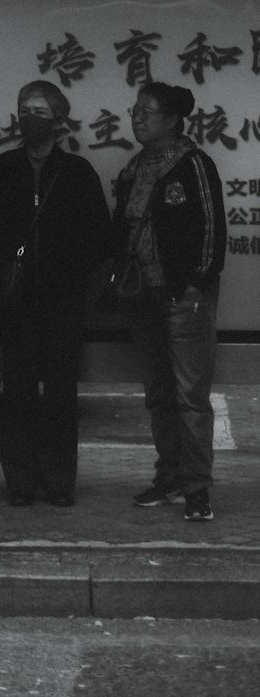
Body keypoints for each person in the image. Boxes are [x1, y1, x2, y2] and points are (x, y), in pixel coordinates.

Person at [0, 80, 111, 508]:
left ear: (57, 119)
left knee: (59, 393)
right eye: (23, 108)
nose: (28, 117)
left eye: (37, 109)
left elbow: (100, 238)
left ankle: (59, 480)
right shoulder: (0, 169)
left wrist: (67, 272)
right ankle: (18, 480)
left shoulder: (77, 172)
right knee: (16, 391)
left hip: (62, 302)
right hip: (14, 302)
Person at [112, 82, 226, 522]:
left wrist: (197, 283)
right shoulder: (133, 168)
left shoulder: (194, 165)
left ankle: (198, 489)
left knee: (191, 399)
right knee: (159, 395)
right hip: (143, 299)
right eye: (135, 110)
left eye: (147, 111)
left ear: (173, 120)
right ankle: (170, 477)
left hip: (185, 298)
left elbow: (213, 229)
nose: (137, 117)